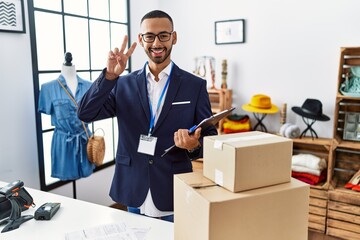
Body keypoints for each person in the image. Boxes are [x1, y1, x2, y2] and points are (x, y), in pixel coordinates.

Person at [77, 10, 217, 222]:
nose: (157, 43)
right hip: (133, 184)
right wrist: (109, 76)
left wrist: (193, 146)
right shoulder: (122, 83)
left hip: (173, 185)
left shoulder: (194, 85)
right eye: (149, 36)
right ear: (141, 40)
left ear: (174, 37)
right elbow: (85, 113)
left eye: (163, 35)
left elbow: (209, 136)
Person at [38, 53, 94, 181]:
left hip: (85, 140)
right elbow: (45, 110)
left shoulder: (89, 86)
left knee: (85, 172)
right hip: (63, 142)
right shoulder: (48, 88)